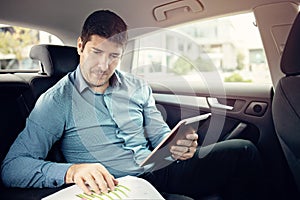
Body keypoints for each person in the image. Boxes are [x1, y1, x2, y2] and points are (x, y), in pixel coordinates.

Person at [1, 10, 266, 199]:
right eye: (96, 53)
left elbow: (160, 134)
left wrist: (177, 147)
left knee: (244, 151)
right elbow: (12, 168)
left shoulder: (137, 87)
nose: (104, 66)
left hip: (157, 169)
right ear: (80, 46)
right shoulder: (56, 100)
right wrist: (72, 171)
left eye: (114, 56)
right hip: (116, 187)